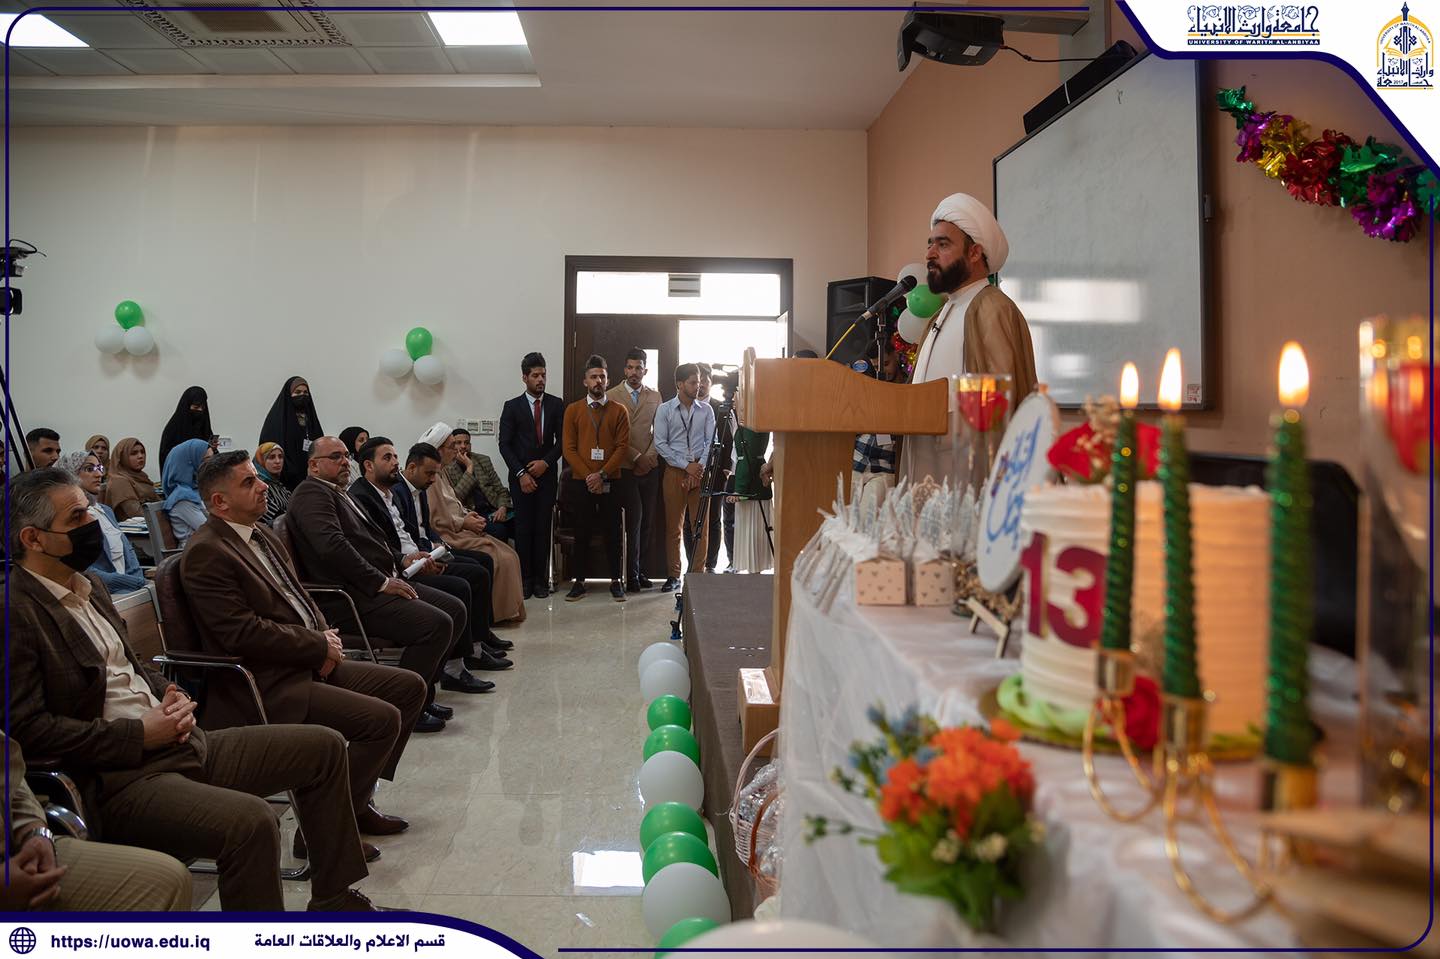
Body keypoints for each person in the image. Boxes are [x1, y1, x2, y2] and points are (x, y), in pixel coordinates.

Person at [4, 468, 381, 911]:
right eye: (77, 517)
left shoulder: (90, 584)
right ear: (33, 538)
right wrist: (139, 734)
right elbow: (28, 731)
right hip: (119, 776)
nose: (92, 523)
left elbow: (132, 664)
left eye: (89, 511)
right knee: (253, 821)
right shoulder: (16, 611)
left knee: (324, 748)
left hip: (178, 741)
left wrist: (170, 693)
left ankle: (334, 900)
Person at [183, 450, 428, 846]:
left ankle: (354, 802)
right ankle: (321, 830)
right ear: (219, 501)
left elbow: (298, 596)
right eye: (248, 482)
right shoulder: (207, 551)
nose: (263, 486)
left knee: (409, 688)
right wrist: (316, 646)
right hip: (268, 680)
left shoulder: (259, 533)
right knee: (380, 720)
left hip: (305, 660)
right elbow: (240, 633)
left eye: (256, 478)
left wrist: (325, 637)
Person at [285, 436, 464, 727]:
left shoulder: (338, 492)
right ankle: (405, 707)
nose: (345, 462)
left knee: (455, 609)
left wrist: (402, 559)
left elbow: (370, 541)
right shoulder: (311, 493)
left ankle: (423, 696)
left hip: (376, 582)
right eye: (335, 457)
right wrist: (380, 581)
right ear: (314, 465)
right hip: (351, 596)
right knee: (436, 624)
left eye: (346, 456)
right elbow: (332, 547)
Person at [900, 192, 1037, 486]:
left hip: (965, 476)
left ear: (974, 253)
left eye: (943, 244)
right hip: (925, 467)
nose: (929, 254)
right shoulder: (943, 313)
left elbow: (996, 414)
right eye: (929, 244)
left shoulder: (991, 308)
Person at [349, 437, 511, 686]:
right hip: (396, 574)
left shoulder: (389, 493)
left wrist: (427, 552)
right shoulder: (363, 497)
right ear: (368, 465)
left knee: (479, 568)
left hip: (414, 559)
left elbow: (411, 532)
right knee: (462, 586)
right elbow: (378, 548)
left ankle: (474, 647)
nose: (395, 463)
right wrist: (411, 559)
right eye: (387, 457)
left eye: (395, 456)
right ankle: (453, 669)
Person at [3, 738, 192, 911]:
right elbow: (38, 728)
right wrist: (138, 733)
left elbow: (11, 777)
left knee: (169, 878)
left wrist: (36, 831)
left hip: (20, 842)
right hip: (110, 775)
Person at [423, 425, 528, 624]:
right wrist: (465, 521)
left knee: (512, 550)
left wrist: (473, 514)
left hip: (472, 519)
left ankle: (507, 607)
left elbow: (494, 491)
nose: (458, 449)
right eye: (453, 446)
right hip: (450, 534)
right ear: (439, 450)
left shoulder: (469, 463)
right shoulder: (433, 477)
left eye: (464, 443)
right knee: (501, 557)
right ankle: (494, 614)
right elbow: (437, 519)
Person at [560, 355, 631, 602]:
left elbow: (622, 447)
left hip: (612, 480)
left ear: (608, 380)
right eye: (593, 377)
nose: (598, 381)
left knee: (613, 531)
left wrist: (601, 474)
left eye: (602, 376)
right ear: (585, 381)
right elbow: (569, 449)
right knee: (582, 531)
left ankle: (615, 581)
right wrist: (590, 477)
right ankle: (579, 582)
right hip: (581, 482)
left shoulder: (619, 410)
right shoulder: (573, 410)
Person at [498, 352, 566, 599]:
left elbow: (563, 441)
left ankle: (540, 580)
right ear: (524, 377)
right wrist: (521, 473)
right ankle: (525, 579)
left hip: (546, 476)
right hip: (521, 479)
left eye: (543, 375)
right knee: (524, 528)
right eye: (535, 375)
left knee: (542, 528)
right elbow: (504, 445)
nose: (541, 380)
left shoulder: (556, 404)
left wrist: (545, 463)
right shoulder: (512, 406)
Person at [653, 363, 716, 591]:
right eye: (692, 382)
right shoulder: (665, 410)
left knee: (701, 527)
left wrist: (698, 468)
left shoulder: (706, 410)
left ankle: (698, 575)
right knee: (674, 528)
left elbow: (711, 442)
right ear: (680, 384)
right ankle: (673, 575)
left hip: (700, 471)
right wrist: (685, 466)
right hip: (675, 472)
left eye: (699, 381)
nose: (698, 386)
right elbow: (660, 444)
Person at [607, 347, 662, 592]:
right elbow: (612, 435)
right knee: (631, 522)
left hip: (650, 467)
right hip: (625, 466)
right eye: (630, 367)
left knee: (648, 521)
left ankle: (640, 572)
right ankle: (628, 575)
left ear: (645, 370)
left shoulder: (655, 396)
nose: (634, 372)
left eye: (638, 368)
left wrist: (648, 458)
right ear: (624, 369)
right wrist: (637, 457)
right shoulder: (612, 395)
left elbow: (660, 432)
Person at [57, 451, 145, 596]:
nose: (99, 474)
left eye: (100, 468)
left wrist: (139, 584)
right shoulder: (70, 517)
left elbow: (129, 554)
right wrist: (134, 584)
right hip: (99, 593)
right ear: (70, 473)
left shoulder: (105, 511)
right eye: (89, 469)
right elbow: (85, 570)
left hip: (131, 588)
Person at [727, 386, 774, 574]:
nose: (733, 401)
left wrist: (739, 489)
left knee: (753, 535)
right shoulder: (751, 422)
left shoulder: (751, 424)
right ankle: (754, 576)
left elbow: (747, 458)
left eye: (737, 397)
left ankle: (755, 578)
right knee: (754, 535)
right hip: (752, 481)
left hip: (751, 485)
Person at [853, 340, 903, 502]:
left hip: (884, 470)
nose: (882, 371)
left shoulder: (908, 390)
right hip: (856, 464)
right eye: (876, 367)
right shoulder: (869, 387)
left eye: (886, 364)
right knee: (839, 511)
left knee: (867, 512)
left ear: (896, 356)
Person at [444, 429, 513, 543]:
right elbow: (456, 498)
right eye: (459, 443)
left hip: (494, 509)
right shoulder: (447, 467)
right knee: (500, 531)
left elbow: (501, 490)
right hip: (473, 514)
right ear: (452, 446)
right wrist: (469, 468)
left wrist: (503, 507)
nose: (463, 446)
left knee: (522, 525)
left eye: (467, 443)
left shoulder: (483, 460)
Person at [696, 363, 733, 573]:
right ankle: (694, 564)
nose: (700, 385)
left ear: (711, 383)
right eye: (697, 381)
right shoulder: (687, 407)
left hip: (717, 470)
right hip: (693, 469)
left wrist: (727, 467)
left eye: (704, 380)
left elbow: (729, 439)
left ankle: (710, 564)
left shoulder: (721, 408)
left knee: (713, 518)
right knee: (692, 520)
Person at [259, 376, 324, 491]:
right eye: (297, 392)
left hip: (312, 477)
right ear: (288, 395)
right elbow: (270, 449)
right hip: (284, 479)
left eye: (305, 392)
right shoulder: (277, 419)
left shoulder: (311, 420)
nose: (302, 395)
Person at [161, 438, 212, 548]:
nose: (211, 465)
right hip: (194, 552)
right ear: (190, 463)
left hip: (206, 547)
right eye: (206, 460)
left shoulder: (196, 491)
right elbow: (210, 531)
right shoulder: (183, 499)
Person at [105, 437, 160, 523]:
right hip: (135, 529)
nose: (140, 456)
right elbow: (137, 513)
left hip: (152, 523)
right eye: (134, 453)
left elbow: (158, 504)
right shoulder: (119, 481)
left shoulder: (141, 477)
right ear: (122, 457)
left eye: (142, 452)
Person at [158, 386, 212, 469]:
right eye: (196, 407)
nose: (200, 411)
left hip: (203, 473)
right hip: (180, 474)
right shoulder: (173, 430)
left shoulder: (204, 427)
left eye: (203, 408)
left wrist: (213, 449)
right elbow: (167, 459)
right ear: (186, 406)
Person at [253, 442, 292, 525]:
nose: (277, 461)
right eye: (271, 457)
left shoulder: (277, 484)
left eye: (280, 457)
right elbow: (276, 516)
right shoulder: (259, 486)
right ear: (261, 460)